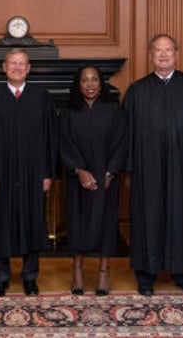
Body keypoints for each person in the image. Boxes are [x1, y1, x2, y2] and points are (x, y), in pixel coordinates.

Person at [122, 34, 183, 296]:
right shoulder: (137, 90)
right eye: (158, 50)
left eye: (168, 50)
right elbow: (127, 135)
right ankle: (146, 276)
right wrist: (129, 170)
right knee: (147, 217)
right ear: (150, 55)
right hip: (147, 169)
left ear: (176, 53)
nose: (163, 55)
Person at [0, 48, 56, 296]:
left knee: (33, 223)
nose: (17, 67)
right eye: (12, 63)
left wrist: (48, 173)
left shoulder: (42, 98)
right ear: (4, 67)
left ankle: (30, 277)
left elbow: (51, 138)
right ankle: (1, 277)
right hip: (0, 174)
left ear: (28, 68)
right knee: (0, 225)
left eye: (22, 64)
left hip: (33, 174)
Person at [57, 64, 127, 296]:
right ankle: (77, 269)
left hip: (106, 177)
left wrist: (109, 173)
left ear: (101, 83)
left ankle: (103, 272)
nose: (90, 84)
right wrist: (79, 170)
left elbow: (121, 143)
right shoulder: (68, 112)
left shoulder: (113, 110)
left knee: (105, 224)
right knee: (78, 223)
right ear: (78, 84)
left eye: (94, 79)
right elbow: (63, 144)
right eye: (85, 80)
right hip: (77, 178)